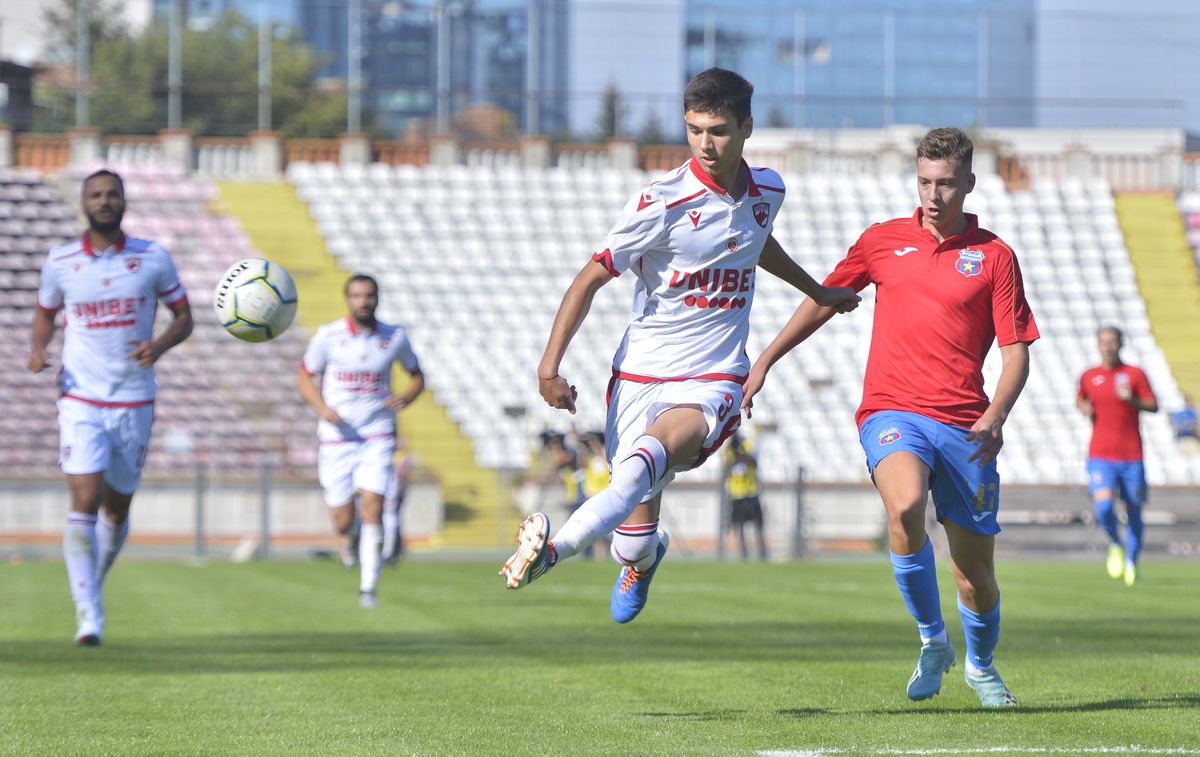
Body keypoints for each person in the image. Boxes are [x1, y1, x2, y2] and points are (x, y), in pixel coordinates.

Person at [499, 67, 860, 625]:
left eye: (717, 130)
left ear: (746, 127)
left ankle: (552, 553)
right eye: (694, 130)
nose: (705, 144)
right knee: (631, 538)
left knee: (635, 472)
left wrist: (818, 291)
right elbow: (590, 278)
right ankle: (643, 559)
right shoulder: (661, 201)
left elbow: (752, 243)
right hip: (640, 375)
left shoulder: (769, 190)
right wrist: (549, 367)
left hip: (713, 378)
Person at [743, 127, 1038, 707]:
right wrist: (767, 360)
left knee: (974, 577)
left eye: (946, 184)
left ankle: (979, 664)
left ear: (969, 184)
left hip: (965, 425)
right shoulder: (882, 241)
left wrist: (997, 415)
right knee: (903, 506)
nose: (934, 195)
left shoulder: (996, 257)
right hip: (892, 410)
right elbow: (825, 296)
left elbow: (1015, 351)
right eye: (925, 182)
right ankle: (932, 640)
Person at [28, 169, 193, 646]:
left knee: (117, 509)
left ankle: (93, 583)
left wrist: (158, 346)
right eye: (96, 194)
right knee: (82, 500)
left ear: (123, 202)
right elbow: (44, 316)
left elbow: (184, 317)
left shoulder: (152, 257)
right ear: (83, 203)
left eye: (112, 194)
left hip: (135, 398)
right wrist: (39, 350)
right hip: (79, 396)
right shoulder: (60, 262)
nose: (104, 201)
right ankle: (88, 612)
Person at [297, 274, 424, 608]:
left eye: (368, 295)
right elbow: (304, 377)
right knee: (343, 521)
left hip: (377, 435)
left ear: (377, 299)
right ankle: (349, 539)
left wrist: (407, 397)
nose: (363, 301)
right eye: (356, 296)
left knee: (374, 507)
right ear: (347, 300)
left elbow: (417, 375)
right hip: (337, 438)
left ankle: (368, 588)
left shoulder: (394, 337)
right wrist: (322, 408)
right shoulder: (328, 336)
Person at [1076, 326, 1158, 586]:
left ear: (1121, 344)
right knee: (1103, 507)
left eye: (1112, 341)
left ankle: (1132, 560)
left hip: (1132, 455)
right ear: (1098, 345)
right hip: (1100, 455)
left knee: (1134, 510)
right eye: (1103, 342)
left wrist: (1132, 400)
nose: (1108, 346)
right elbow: (1080, 399)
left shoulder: (1134, 374)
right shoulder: (1089, 376)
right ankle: (1115, 543)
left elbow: (1153, 404)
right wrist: (1083, 407)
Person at [723, 432, 766, 560]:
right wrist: (735, 453)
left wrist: (743, 452)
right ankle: (744, 554)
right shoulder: (729, 450)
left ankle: (762, 553)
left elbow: (754, 462)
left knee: (758, 526)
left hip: (750, 493)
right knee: (740, 527)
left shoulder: (747, 447)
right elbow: (726, 468)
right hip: (737, 495)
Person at [381, 436, 414, 565]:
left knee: (390, 521)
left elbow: (402, 475)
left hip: (391, 492)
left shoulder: (397, 457)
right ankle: (389, 552)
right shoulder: (392, 456)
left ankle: (389, 552)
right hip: (389, 491)